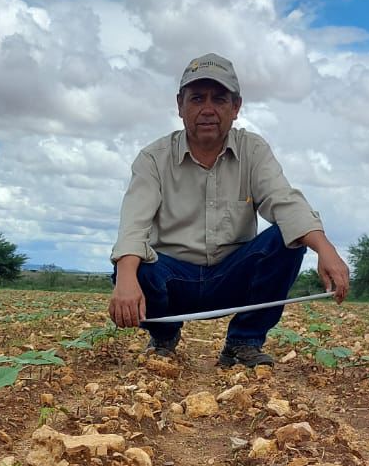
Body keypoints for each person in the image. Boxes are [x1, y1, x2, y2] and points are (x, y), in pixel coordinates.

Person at [108, 53, 350, 368]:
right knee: (132, 265)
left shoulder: (253, 149)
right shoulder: (153, 159)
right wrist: (125, 279)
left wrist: (325, 248)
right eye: (197, 99)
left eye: (219, 99)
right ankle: (164, 336)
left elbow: (284, 200)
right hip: (173, 277)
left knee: (287, 239)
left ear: (235, 108)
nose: (207, 109)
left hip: (230, 275)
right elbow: (133, 225)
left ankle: (243, 342)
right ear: (180, 105)